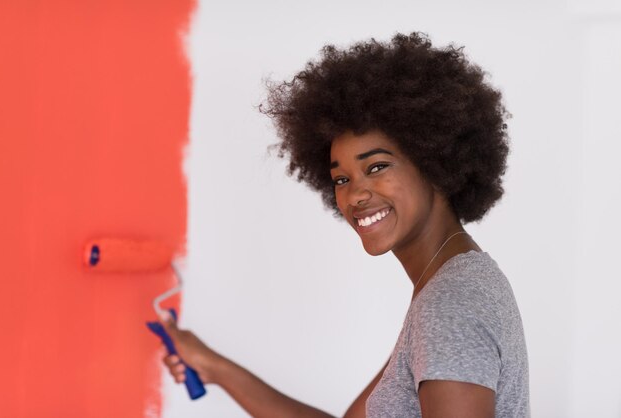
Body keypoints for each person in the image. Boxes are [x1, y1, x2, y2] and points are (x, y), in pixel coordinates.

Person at [158, 32, 530, 417]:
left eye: (377, 167)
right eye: (342, 179)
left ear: (435, 163)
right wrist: (215, 367)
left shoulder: (450, 304)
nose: (355, 195)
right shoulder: (448, 288)